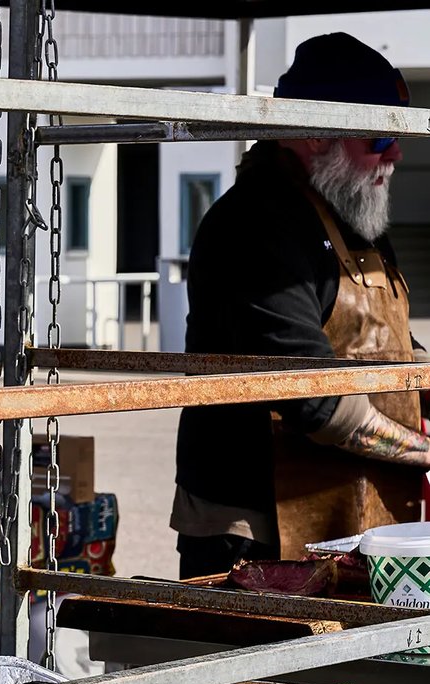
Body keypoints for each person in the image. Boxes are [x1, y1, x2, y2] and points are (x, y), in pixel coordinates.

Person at [171, 32, 428, 579]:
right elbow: (314, 400)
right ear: (313, 132)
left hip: (346, 517)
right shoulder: (257, 226)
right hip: (253, 539)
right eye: (380, 136)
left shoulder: (345, 210)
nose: (396, 152)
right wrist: (423, 451)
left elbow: (392, 343)